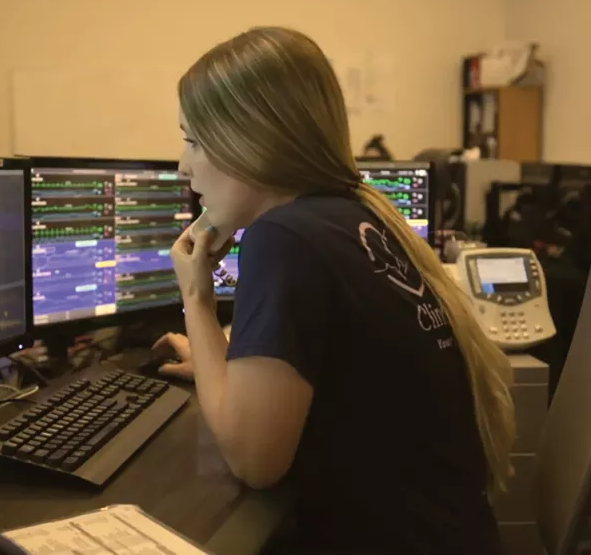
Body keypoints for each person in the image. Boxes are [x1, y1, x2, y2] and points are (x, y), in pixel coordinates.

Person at [152, 27, 515, 555]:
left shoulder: (285, 240)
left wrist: (197, 300)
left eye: (194, 141)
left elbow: (255, 461)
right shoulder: (355, 217)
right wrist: (219, 366)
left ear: (251, 139)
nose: (184, 166)